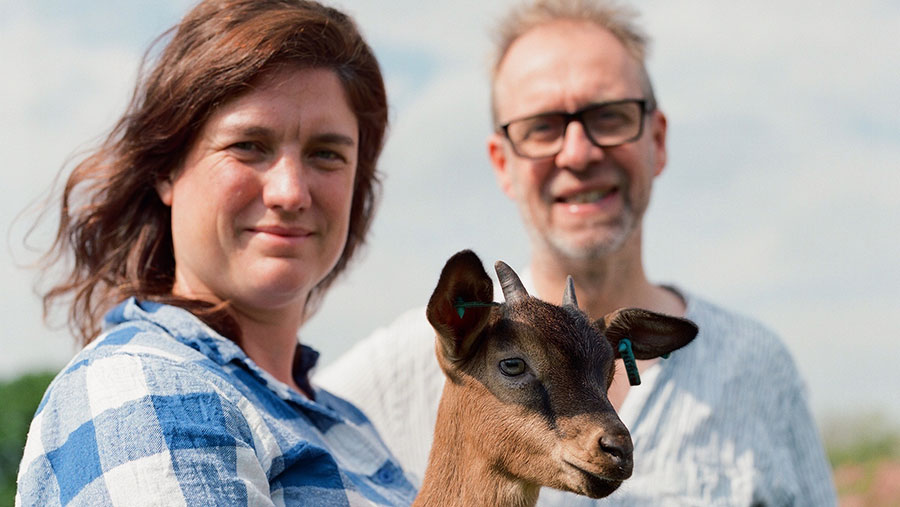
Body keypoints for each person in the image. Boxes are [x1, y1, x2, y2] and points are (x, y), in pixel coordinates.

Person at [315, 0, 838, 505]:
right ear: (502, 162)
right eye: (542, 126)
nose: (578, 152)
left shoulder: (758, 369)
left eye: (609, 116)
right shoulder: (389, 372)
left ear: (657, 140)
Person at [16, 1, 417, 505]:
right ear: (166, 169)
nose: (290, 192)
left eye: (326, 153)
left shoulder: (347, 422)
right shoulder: (148, 385)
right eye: (249, 145)